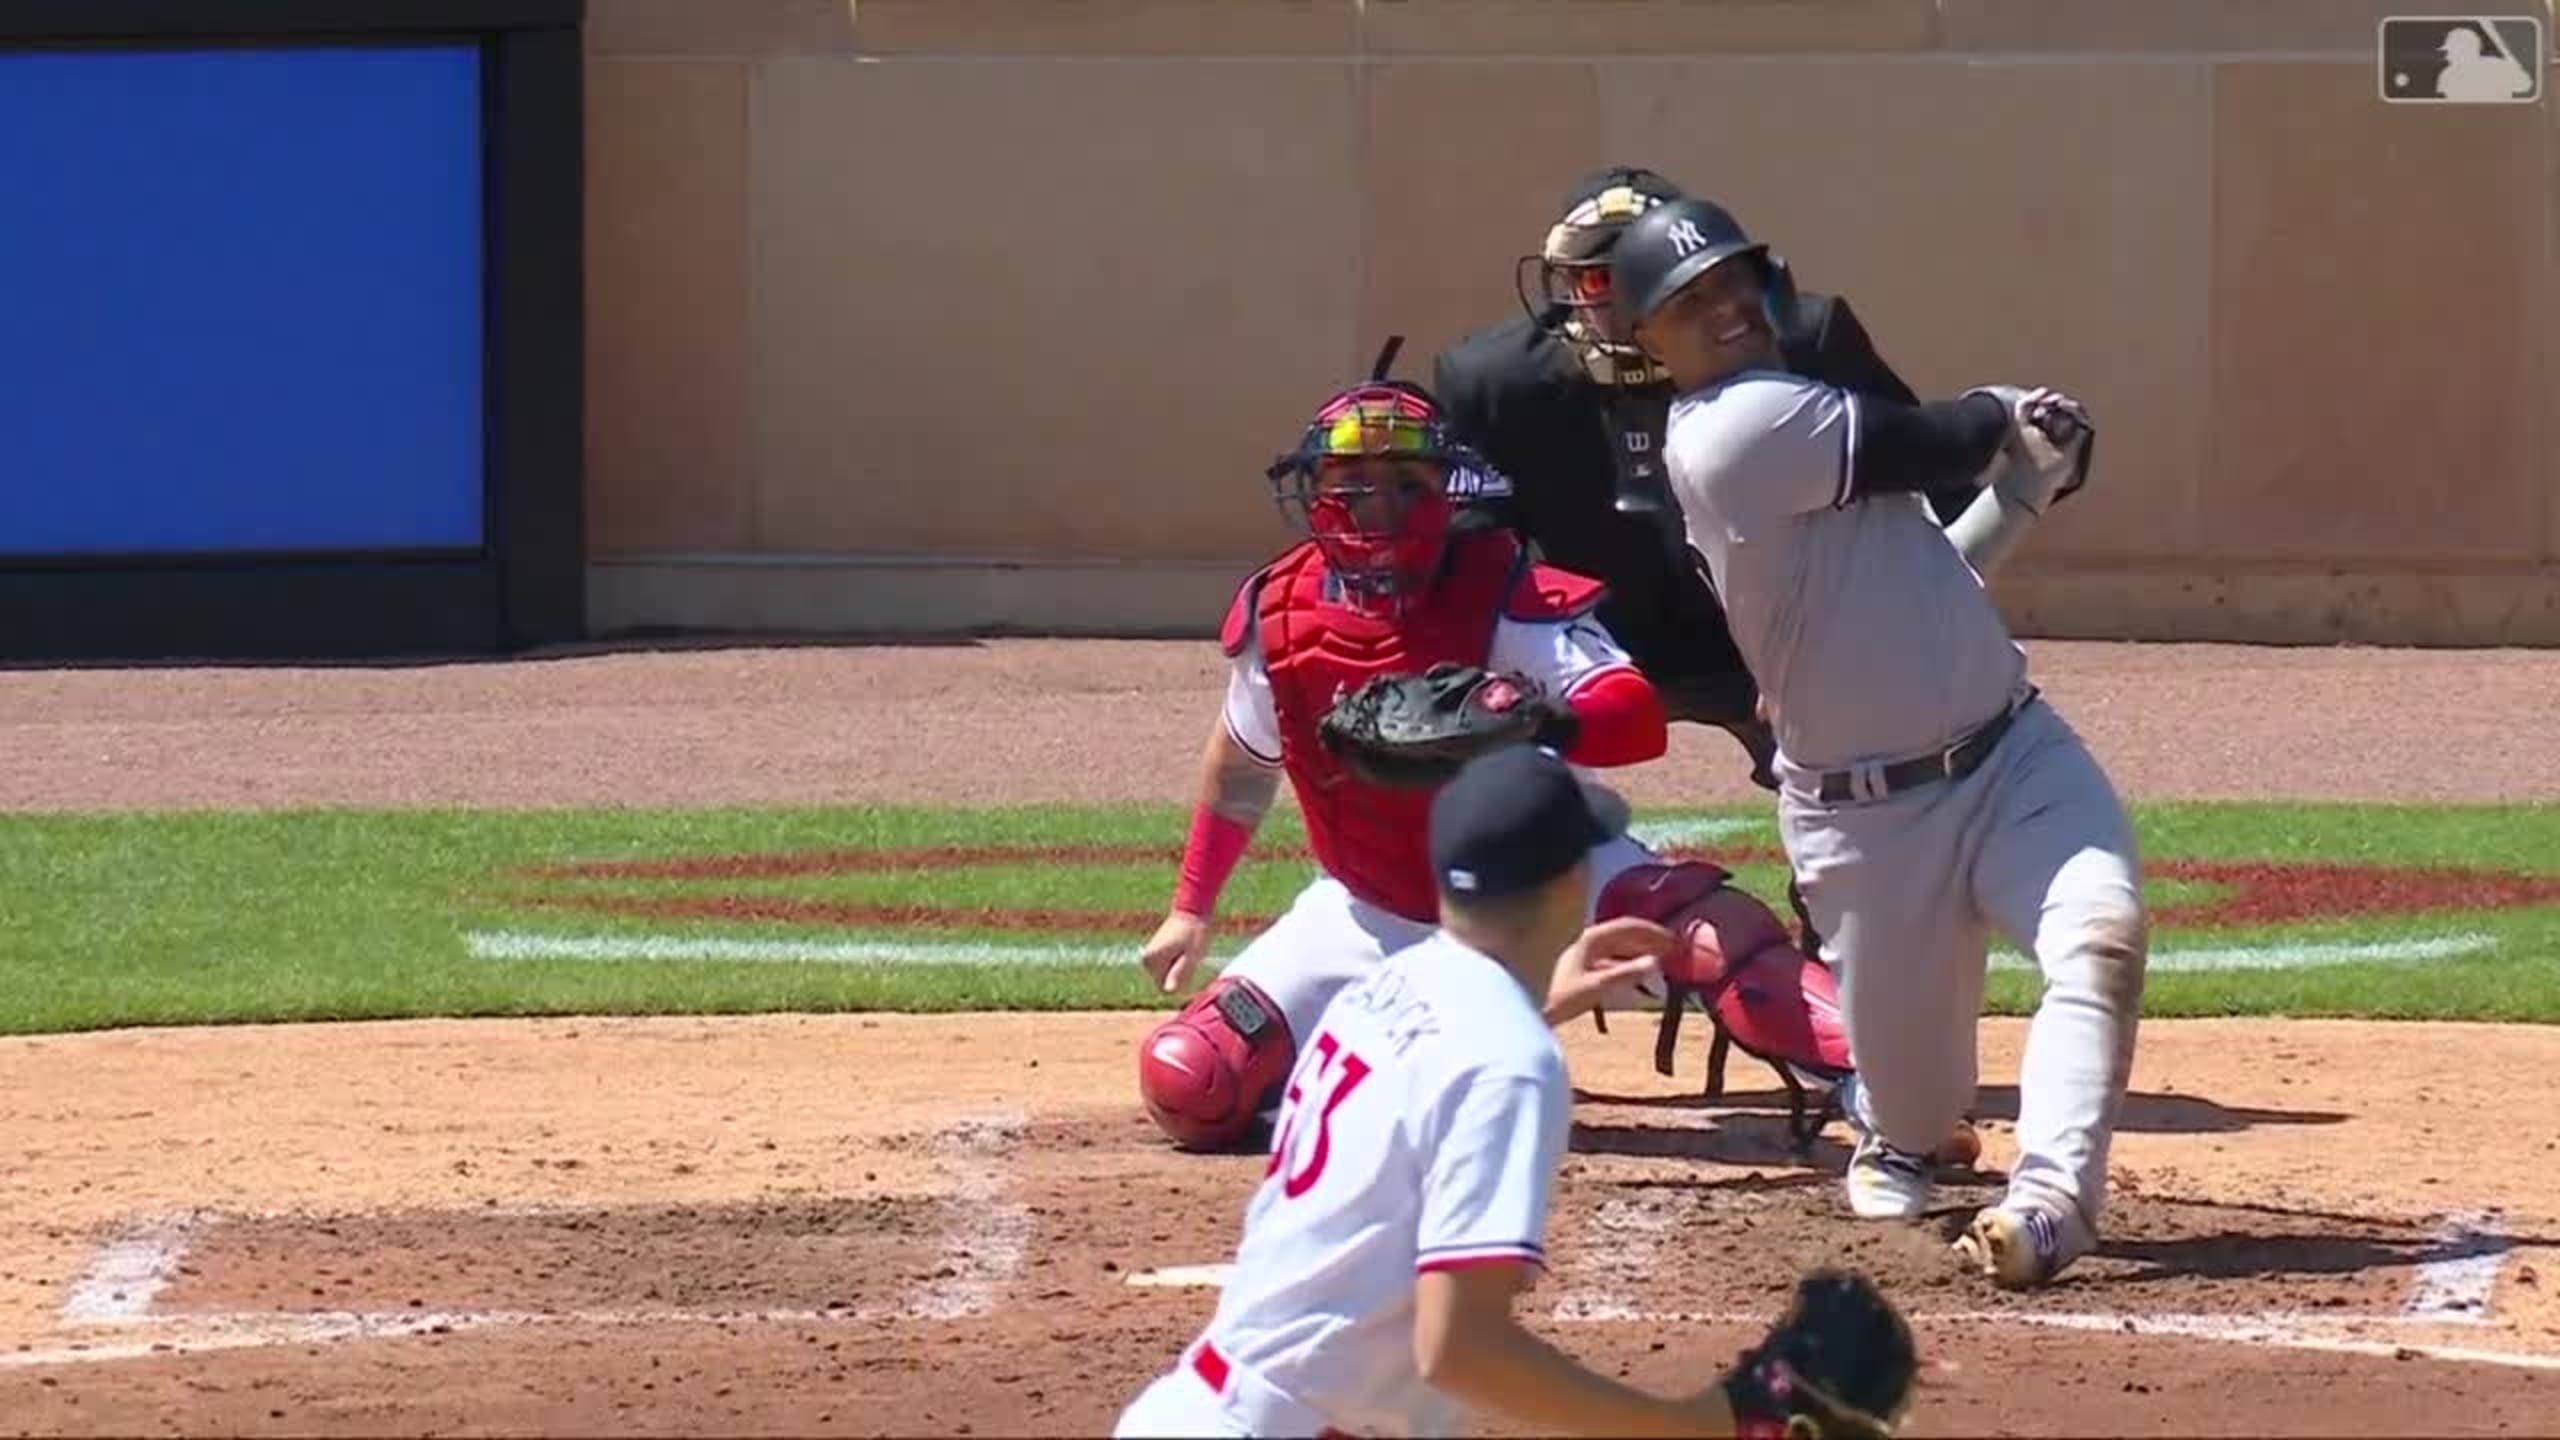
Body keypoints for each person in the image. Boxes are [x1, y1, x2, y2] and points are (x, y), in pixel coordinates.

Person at [1606, 193, 2148, 1288]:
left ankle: (2049, 1202)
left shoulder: (1800, 417)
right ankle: (1895, 1126)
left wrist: (2026, 490)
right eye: (1687, 300)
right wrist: (2009, 408)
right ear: (1643, 341)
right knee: (1914, 1116)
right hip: (1864, 818)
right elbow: (1936, 433)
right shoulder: (1730, 435)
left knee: (2099, 938)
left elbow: (1932, 579)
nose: (1723, 309)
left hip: (2010, 757)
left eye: (1731, 283)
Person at [1115, 744, 1917, 1439]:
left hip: (1198, 1408)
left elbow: (1445, 1053)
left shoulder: (1384, 989)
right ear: (1573, 880)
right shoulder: (1507, 1059)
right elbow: (1458, 1348)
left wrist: (1542, 999)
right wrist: (1693, 1422)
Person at [1133, 350, 1678, 1152]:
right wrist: (1191, 909)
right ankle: (1406, 1057)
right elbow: (1244, 767)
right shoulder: (1281, 611)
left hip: (1542, 889)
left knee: (1718, 938)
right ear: (1316, 495)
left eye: (1405, 484)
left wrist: (1538, 725)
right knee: (1190, 1078)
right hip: (1369, 909)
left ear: (1446, 492)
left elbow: (1638, 717)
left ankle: (1878, 1090)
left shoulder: (1503, 584)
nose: (1377, 508)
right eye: (1353, 486)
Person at [1434, 165, 1976, 790]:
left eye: (1647, 284)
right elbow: (1470, 550)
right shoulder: (1493, 383)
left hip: (1780, 639)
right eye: (1599, 278)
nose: (1623, 305)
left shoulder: (1800, 342)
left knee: (1893, 785)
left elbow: (1930, 485)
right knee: (1498, 798)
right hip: (1589, 645)